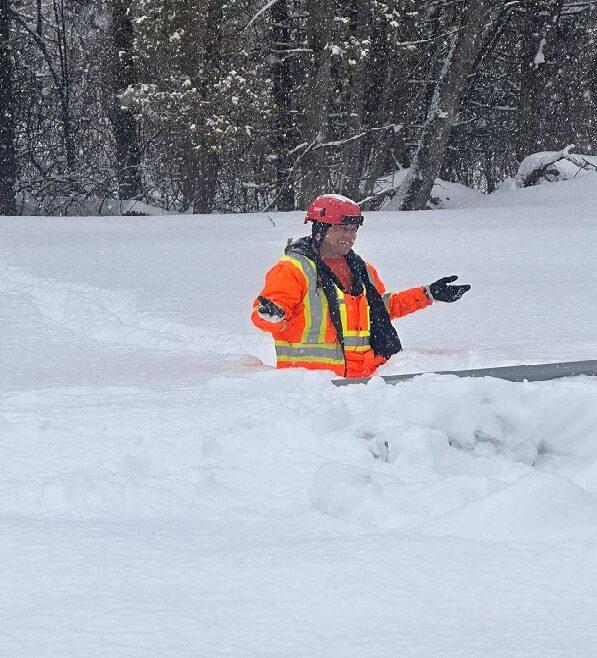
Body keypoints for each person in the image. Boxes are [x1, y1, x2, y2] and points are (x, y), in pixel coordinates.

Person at [251, 194, 470, 379]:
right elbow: (264, 314)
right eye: (341, 229)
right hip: (313, 387)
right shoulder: (293, 269)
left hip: (366, 384)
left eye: (353, 229)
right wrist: (272, 315)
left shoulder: (361, 269)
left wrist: (428, 294)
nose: (349, 236)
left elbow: (381, 309)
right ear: (319, 230)